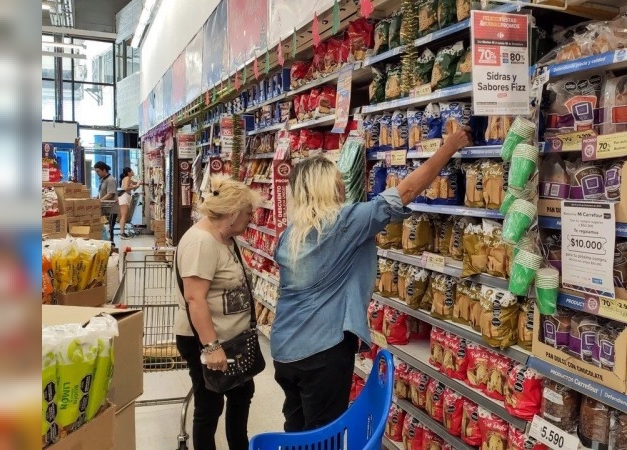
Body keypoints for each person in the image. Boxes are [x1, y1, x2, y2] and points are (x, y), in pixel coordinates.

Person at [270, 125, 473, 431]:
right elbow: (406, 191)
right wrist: (449, 147)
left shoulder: (290, 234)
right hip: (323, 349)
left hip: (285, 348)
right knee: (324, 435)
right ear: (327, 188)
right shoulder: (343, 223)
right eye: (338, 181)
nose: (343, 186)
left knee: (297, 429)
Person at [174, 176, 261, 450]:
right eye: (248, 213)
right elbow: (195, 298)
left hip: (233, 339)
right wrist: (211, 347)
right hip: (207, 340)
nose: (251, 219)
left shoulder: (225, 238)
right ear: (232, 213)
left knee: (241, 395)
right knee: (209, 405)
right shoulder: (201, 242)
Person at [93, 162, 118, 241]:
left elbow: (110, 194)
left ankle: (111, 244)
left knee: (109, 228)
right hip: (104, 208)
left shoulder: (111, 180)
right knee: (104, 228)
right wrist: (96, 199)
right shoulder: (103, 180)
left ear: (104, 170)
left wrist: (100, 201)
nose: (97, 173)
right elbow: (100, 192)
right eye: (96, 171)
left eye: (98, 171)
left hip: (111, 209)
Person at [117, 167, 141, 239]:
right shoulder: (127, 178)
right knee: (124, 216)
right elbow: (125, 188)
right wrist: (136, 185)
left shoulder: (129, 179)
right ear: (129, 172)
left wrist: (138, 184)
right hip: (124, 197)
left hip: (126, 197)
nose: (133, 172)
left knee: (125, 216)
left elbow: (134, 187)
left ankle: (122, 232)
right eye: (132, 171)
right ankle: (122, 233)